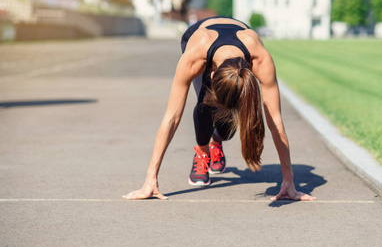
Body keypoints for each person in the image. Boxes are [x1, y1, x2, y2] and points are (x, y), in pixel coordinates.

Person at [122, 16, 316, 201]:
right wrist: (150, 179)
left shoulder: (261, 59)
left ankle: (217, 143)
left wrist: (289, 182)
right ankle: (202, 151)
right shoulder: (195, 56)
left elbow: (276, 123)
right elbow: (172, 117)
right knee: (205, 105)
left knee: (226, 125)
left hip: (238, 35)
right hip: (199, 36)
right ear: (212, 76)